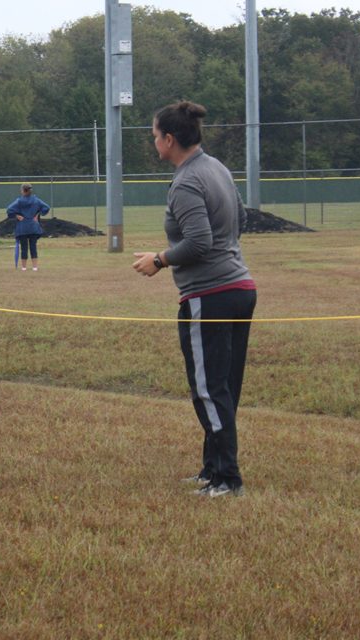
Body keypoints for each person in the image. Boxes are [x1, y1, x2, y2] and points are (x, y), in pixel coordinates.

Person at [132, 100, 257, 498]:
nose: (154, 143)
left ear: (170, 139)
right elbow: (242, 217)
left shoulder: (186, 181)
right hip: (240, 289)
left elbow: (200, 242)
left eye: (155, 137)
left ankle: (227, 479)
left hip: (210, 295)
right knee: (223, 388)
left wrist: (159, 259)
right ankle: (211, 469)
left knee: (207, 389)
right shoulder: (216, 167)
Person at [6, 183, 50, 271]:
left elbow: (9, 209)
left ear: (22, 190)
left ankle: (24, 267)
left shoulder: (19, 201)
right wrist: (38, 214)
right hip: (33, 226)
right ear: (30, 190)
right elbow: (47, 207)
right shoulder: (36, 200)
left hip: (22, 227)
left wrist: (16, 215)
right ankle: (35, 267)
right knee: (33, 246)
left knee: (24, 247)